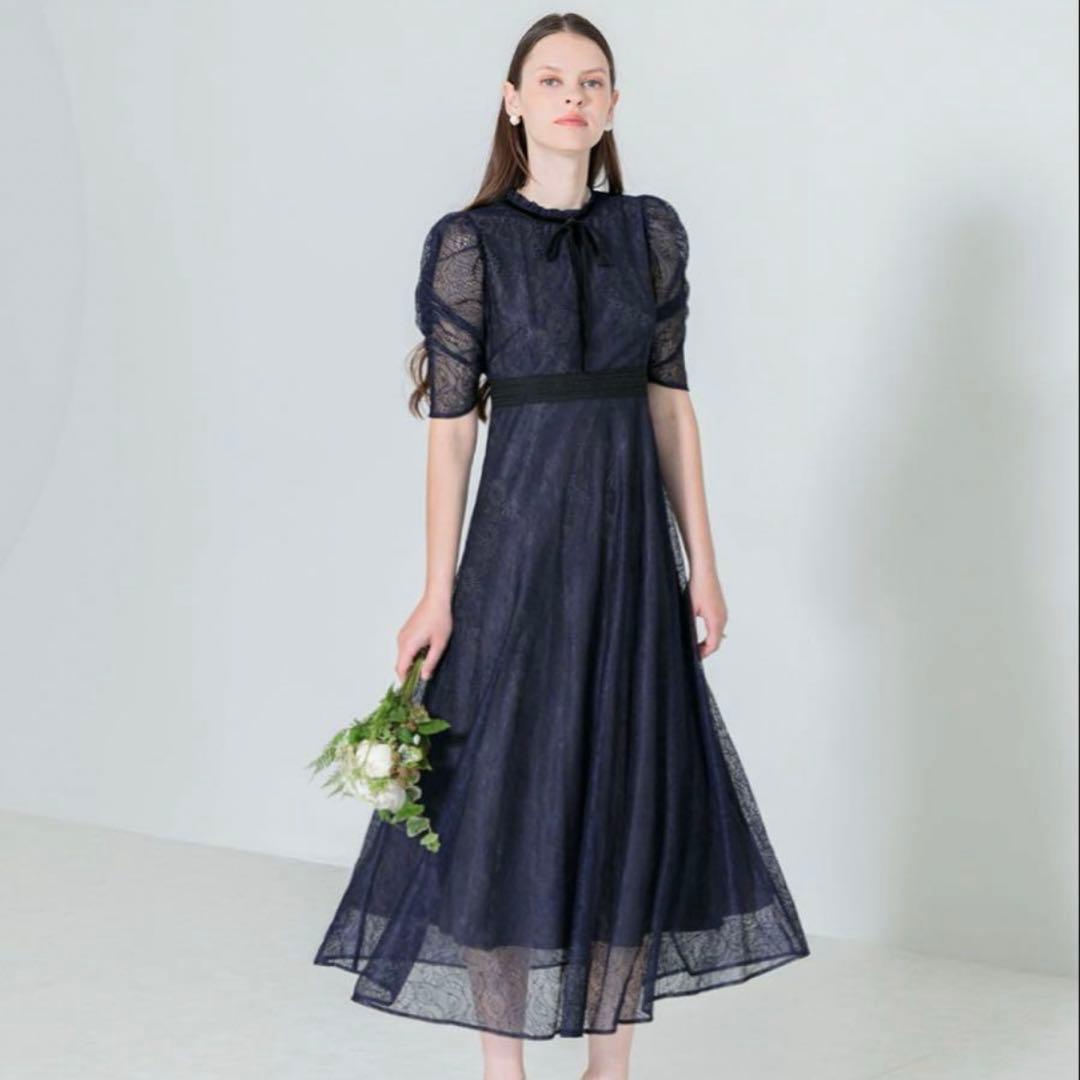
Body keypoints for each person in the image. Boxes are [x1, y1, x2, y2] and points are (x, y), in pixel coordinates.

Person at [314, 13, 811, 1079]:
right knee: (502, 802)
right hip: (519, 556)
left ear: (613, 105)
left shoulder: (651, 232)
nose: (571, 97)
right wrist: (438, 591)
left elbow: (671, 406)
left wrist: (705, 566)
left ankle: (607, 1066)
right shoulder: (470, 242)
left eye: (591, 82)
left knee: (627, 790)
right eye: (550, 80)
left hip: (630, 562)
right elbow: (452, 434)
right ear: (513, 101)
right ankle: (506, 1069)